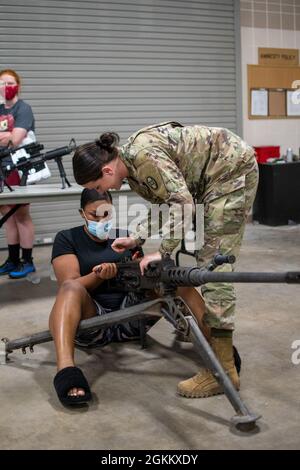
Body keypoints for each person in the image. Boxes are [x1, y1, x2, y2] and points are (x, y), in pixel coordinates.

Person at [72, 121, 258, 399]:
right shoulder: (132, 167)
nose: (101, 192)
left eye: (99, 186)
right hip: (213, 178)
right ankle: (221, 357)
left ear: (107, 169)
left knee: (214, 266)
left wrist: (165, 251)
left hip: (230, 173)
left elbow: (182, 202)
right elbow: (165, 203)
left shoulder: (143, 157)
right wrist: (137, 238)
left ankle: (223, 371)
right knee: (208, 261)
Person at [50, 188, 160, 406]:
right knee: (71, 289)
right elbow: (69, 285)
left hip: (132, 320)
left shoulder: (125, 236)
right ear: (82, 213)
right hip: (92, 326)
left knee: (174, 277)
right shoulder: (67, 238)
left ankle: (218, 348)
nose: (101, 220)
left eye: (106, 214)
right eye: (94, 215)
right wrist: (97, 276)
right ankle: (66, 369)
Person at [0, 69, 36, 278]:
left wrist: (9, 136)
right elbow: (9, 137)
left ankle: (27, 260)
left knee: (21, 214)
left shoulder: (24, 109)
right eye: (2, 83)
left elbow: (15, 139)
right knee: (7, 215)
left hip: (17, 168)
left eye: (10, 82)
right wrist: (6, 135)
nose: (6, 87)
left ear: (18, 85)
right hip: (1, 168)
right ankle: (12, 260)